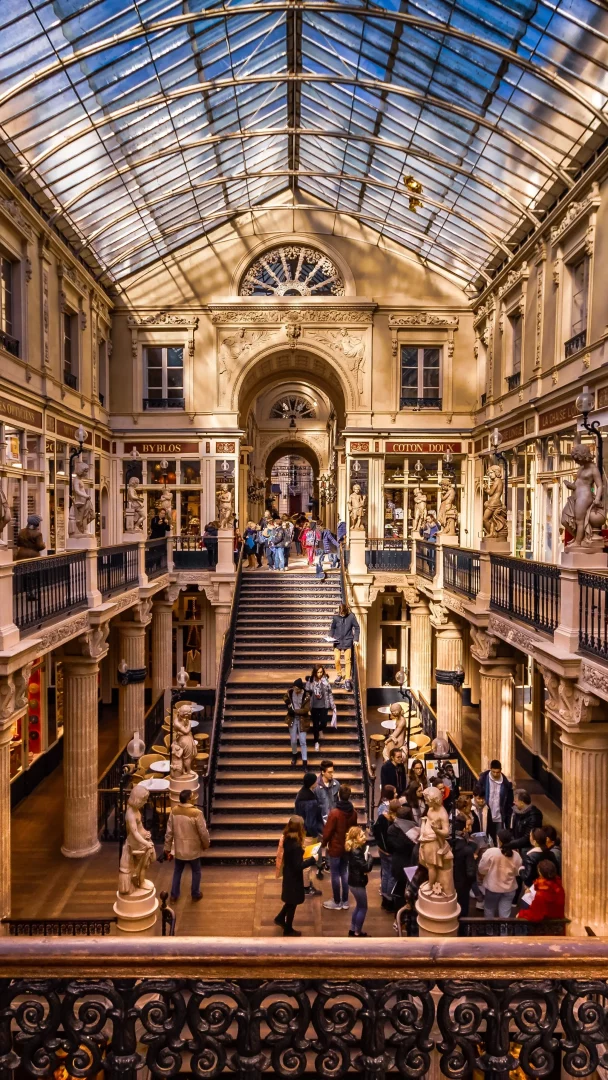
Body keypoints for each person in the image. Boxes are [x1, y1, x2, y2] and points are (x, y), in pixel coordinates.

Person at [164, 789, 210, 902]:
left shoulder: (174, 811)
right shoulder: (196, 813)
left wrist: (167, 848)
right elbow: (203, 832)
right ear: (189, 799)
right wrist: (206, 844)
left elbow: (169, 832)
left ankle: (174, 894)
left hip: (179, 848)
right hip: (193, 848)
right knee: (196, 871)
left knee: (177, 871)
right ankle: (195, 893)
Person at [274, 816, 318, 936]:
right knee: (292, 903)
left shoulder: (287, 838)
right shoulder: (296, 846)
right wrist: (312, 860)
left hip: (288, 874)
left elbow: (292, 859)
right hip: (294, 878)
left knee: (290, 900)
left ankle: (280, 917)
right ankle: (288, 929)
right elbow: (298, 866)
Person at [322, 783, 358, 910]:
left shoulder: (335, 813)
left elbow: (328, 831)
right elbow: (354, 830)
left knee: (335, 874)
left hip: (336, 847)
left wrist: (323, 843)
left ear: (339, 795)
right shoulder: (353, 813)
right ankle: (345, 901)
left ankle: (336, 901)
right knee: (344, 872)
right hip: (347, 847)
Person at [477, 829, 523, 919]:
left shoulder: (491, 852)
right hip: (510, 888)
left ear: (499, 840)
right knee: (505, 913)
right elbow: (518, 872)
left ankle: (490, 932)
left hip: (493, 888)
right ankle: (504, 932)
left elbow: (481, 869)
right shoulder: (516, 855)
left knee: (489, 909)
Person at [294, 772, 324, 896]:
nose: (317, 782)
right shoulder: (310, 800)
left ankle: (304, 883)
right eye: (315, 780)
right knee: (307, 859)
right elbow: (311, 822)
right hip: (308, 834)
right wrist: (315, 833)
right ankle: (306, 887)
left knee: (304, 857)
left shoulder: (300, 794)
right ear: (312, 783)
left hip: (301, 831)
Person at [517, 860, 565, 925]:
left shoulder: (542, 893)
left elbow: (535, 914)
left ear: (540, 873)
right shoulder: (558, 885)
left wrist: (521, 914)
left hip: (547, 923)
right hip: (556, 919)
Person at [386, 804, 418, 903]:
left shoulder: (391, 829)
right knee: (407, 889)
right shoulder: (412, 831)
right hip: (409, 862)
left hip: (397, 861)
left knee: (399, 888)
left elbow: (391, 847)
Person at [345, 826, 374, 937]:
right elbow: (366, 868)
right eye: (361, 835)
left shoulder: (354, 848)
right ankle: (357, 932)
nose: (364, 837)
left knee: (358, 906)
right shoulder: (356, 851)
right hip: (357, 883)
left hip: (354, 881)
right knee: (363, 907)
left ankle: (353, 929)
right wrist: (370, 858)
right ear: (355, 838)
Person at [451, 814, 478, 923]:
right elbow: (471, 872)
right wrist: (470, 883)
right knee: (462, 909)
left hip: (448, 881)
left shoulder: (446, 844)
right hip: (462, 884)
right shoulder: (467, 849)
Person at [372, 798, 397, 910]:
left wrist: (379, 844)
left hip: (382, 850)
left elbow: (375, 830)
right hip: (391, 851)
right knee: (391, 875)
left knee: (385, 873)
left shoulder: (382, 817)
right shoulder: (395, 822)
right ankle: (390, 899)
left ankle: (385, 897)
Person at [329, 602, 360, 691]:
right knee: (337, 659)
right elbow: (332, 628)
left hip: (347, 640)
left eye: (343, 613)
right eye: (340, 613)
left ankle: (347, 679)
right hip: (337, 641)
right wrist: (330, 635)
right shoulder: (335, 617)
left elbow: (357, 627)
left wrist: (356, 639)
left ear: (346, 611)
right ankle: (339, 674)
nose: (341, 614)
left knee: (347, 661)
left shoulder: (351, 617)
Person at [305, 666, 335, 751]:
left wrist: (332, 704)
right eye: (318, 672)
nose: (319, 674)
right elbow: (307, 692)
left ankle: (320, 729)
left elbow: (329, 693)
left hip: (323, 705)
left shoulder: (325, 681)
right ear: (314, 672)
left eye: (321, 672)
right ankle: (316, 742)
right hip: (314, 706)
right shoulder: (310, 681)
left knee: (324, 722)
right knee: (315, 724)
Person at [478, 759, 513, 832]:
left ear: (501, 770)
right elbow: (478, 791)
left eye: (497, 772)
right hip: (487, 812)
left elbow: (509, 802)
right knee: (487, 835)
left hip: (499, 814)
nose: (495, 774)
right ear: (490, 769)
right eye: (493, 772)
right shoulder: (484, 779)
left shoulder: (506, 784)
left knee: (499, 835)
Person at [283, 678, 311, 768]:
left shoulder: (306, 695)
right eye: (295, 689)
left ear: (301, 688)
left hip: (302, 720)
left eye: (297, 689)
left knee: (303, 741)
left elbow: (306, 709)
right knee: (293, 740)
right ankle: (294, 754)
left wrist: (295, 711)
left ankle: (304, 761)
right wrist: (288, 704)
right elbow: (285, 697)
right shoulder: (290, 692)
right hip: (292, 719)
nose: (296, 691)